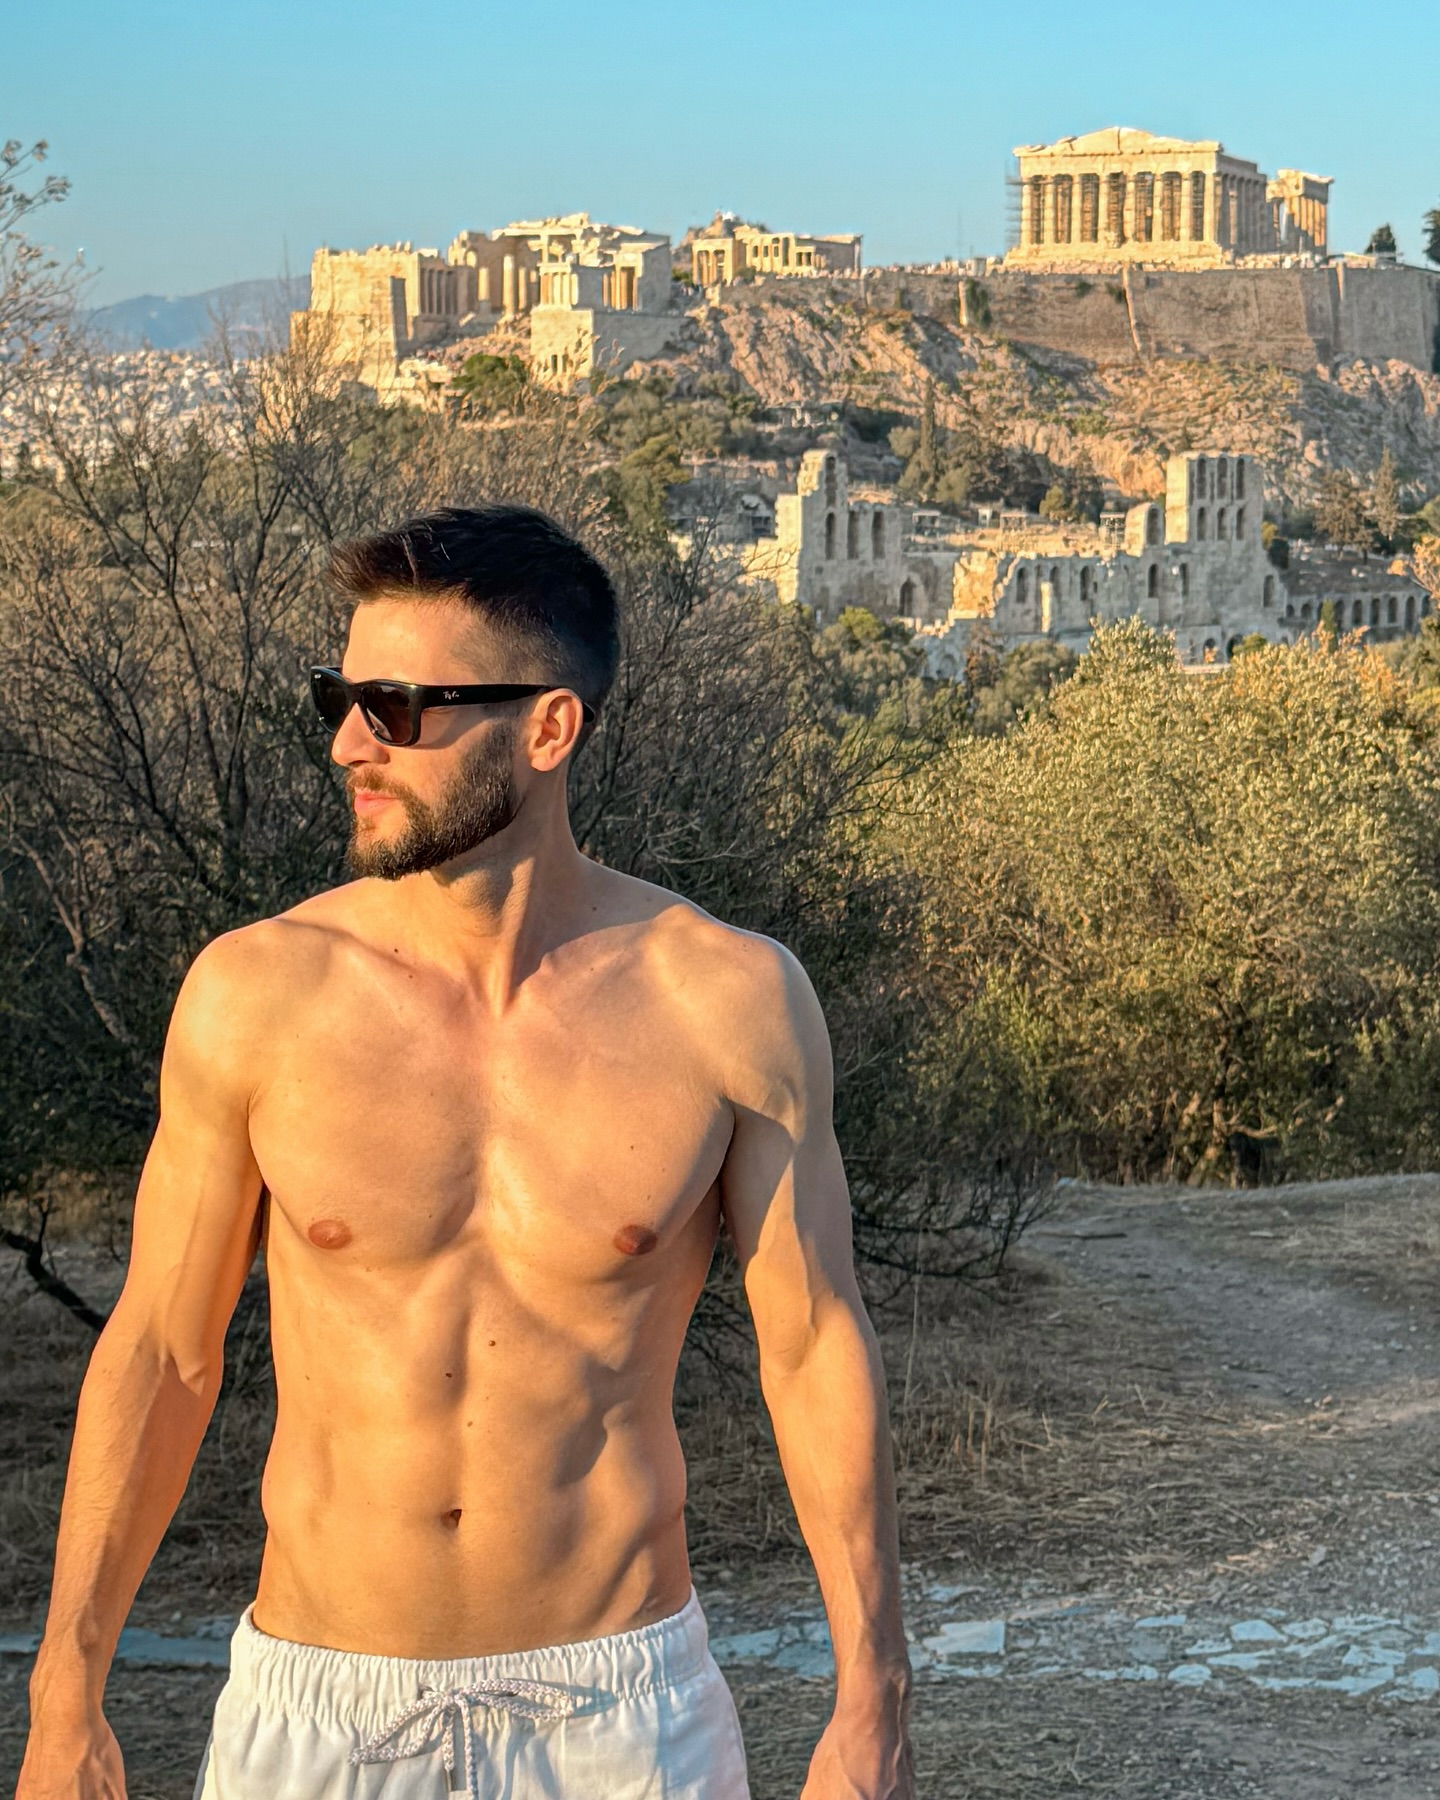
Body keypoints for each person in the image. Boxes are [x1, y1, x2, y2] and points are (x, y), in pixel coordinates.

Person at [19, 506, 913, 1800]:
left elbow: (815, 1347)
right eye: (340, 700)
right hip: (319, 1712)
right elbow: (163, 1349)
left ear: (548, 728)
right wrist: (65, 1694)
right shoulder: (256, 995)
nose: (349, 744)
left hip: (622, 1717)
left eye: (395, 708)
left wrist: (874, 1697)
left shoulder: (728, 1002)